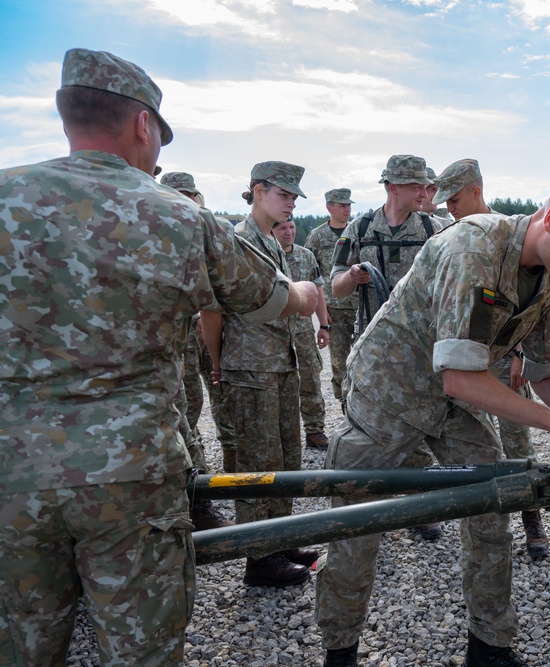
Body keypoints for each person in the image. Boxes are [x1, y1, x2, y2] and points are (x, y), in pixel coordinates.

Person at [0, 48, 318, 666]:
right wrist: (308, 294)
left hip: (14, 473)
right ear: (143, 125)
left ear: (68, 117)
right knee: (141, 648)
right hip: (133, 479)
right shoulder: (179, 216)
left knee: (21, 645)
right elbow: (272, 299)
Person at [316, 162, 550, 667]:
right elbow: (460, 377)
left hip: (452, 401)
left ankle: (489, 648)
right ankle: (340, 652)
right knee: (358, 520)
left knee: (490, 505)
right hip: (390, 391)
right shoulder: (473, 250)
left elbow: (548, 374)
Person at [201, 160, 321, 587]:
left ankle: (280, 538)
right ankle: (259, 557)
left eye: (293, 197)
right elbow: (211, 311)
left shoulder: (270, 242)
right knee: (256, 464)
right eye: (284, 195)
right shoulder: (238, 241)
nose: (290, 204)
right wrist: (218, 363)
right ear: (257, 190)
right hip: (249, 368)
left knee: (286, 459)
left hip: (279, 363)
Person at [328, 154, 449, 541]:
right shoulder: (360, 228)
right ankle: (370, 508)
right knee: (367, 426)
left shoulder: (435, 227)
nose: (424, 192)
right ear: (392, 188)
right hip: (373, 347)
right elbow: (334, 286)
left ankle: (416, 506)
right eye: (416, 186)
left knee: (416, 421)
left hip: (419, 348)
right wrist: (352, 275)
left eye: (426, 185)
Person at [432, 158, 548, 556]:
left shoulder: (507, 236)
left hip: (502, 361)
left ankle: (532, 521)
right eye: (445, 201)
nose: (450, 207)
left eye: (456, 198)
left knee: (518, 443)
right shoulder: (453, 236)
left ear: (477, 190)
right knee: (472, 445)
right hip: (466, 361)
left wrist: (519, 354)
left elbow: (523, 308)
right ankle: (480, 526)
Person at [160, 170, 234, 530]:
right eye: (179, 195)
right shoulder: (156, 239)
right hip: (180, 341)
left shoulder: (204, 236)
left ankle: (228, 474)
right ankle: (198, 495)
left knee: (224, 401)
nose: (187, 201)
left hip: (211, 330)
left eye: (191, 195)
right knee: (185, 413)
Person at [274, 217, 332, 449]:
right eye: (282, 228)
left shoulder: (306, 255)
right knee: (279, 384)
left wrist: (324, 325)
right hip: (274, 333)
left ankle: (315, 430)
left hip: (303, 331)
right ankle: (282, 435)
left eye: (291, 227)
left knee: (310, 379)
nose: (288, 232)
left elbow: (317, 291)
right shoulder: (265, 255)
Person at [304, 188, 357, 413]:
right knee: (340, 360)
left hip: (359, 304)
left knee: (365, 356)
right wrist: (320, 309)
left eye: (348, 205)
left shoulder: (357, 231)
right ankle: (345, 404)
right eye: (342, 205)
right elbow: (308, 271)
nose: (347, 209)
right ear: (329, 207)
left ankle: (363, 405)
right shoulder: (317, 236)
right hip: (334, 307)